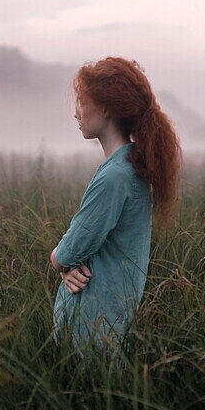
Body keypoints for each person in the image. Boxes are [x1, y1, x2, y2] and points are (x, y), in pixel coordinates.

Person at [49, 56, 182, 348]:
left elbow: (69, 250)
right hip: (108, 319)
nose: (76, 112)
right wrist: (68, 266)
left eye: (82, 102)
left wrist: (58, 261)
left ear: (106, 107)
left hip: (91, 324)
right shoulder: (131, 168)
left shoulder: (116, 177)